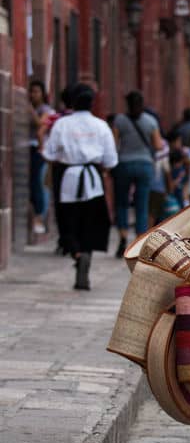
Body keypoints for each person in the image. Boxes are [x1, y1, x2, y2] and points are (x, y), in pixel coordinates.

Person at [41, 83, 118, 289]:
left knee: (68, 222)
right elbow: (111, 160)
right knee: (90, 225)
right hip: (93, 180)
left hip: (68, 177)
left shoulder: (62, 124)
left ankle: (76, 253)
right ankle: (86, 256)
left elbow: (49, 153)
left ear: (73, 103)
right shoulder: (101, 126)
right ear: (92, 103)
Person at [112, 91, 162, 257]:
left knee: (122, 204)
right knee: (142, 205)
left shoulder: (119, 120)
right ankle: (138, 244)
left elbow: (114, 143)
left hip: (124, 164)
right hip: (144, 165)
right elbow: (158, 145)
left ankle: (122, 239)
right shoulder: (150, 121)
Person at [29, 80, 54, 234]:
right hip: (29, 148)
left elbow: (40, 125)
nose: (33, 95)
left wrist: (30, 110)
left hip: (41, 151)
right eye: (31, 91)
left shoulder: (47, 110)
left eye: (36, 92)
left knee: (40, 183)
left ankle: (40, 216)